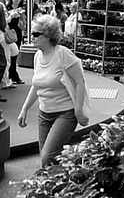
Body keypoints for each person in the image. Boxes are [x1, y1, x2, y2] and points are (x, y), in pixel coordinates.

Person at [18, 14, 90, 169]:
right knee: (49, 161)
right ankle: (58, 186)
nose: (32, 37)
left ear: (48, 36)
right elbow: (36, 85)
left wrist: (78, 110)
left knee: (48, 156)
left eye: (36, 34)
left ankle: (75, 176)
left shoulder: (62, 54)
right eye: (32, 33)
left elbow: (80, 82)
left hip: (65, 113)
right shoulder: (37, 56)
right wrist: (24, 109)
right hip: (44, 113)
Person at [3, 0, 24, 88]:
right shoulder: (7, 8)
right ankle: (12, 75)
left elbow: (24, 23)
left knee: (15, 53)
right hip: (8, 31)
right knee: (10, 54)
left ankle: (13, 74)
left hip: (17, 32)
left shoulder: (22, 9)